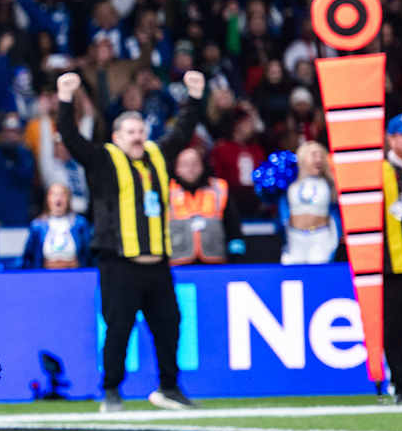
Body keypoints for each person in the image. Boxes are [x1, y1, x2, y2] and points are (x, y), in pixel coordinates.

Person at [56, 70, 204, 413]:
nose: (137, 137)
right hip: (119, 263)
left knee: (169, 326)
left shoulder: (157, 154)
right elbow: (71, 138)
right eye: (131, 132)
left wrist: (194, 97)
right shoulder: (103, 159)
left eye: (141, 131)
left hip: (157, 264)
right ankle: (110, 391)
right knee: (119, 328)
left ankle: (169, 388)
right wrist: (65, 99)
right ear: (117, 135)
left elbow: (182, 132)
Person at [382, 114, 402, 402]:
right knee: (394, 325)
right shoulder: (376, 173)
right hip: (391, 264)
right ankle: (400, 382)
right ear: (391, 138)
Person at [168, 148, 245, 265]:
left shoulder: (219, 188)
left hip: (216, 264)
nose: (190, 169)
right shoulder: (167, 192)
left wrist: (236, 258)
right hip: (178, 264)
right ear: (177, 168)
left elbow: (233, 226)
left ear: (202, 166)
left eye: (195, 163)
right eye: (185, 164)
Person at [279, 141, 339, 265]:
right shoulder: (290, 183)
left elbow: (335, 210)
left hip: (320, 236)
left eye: (321, 156)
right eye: (314, 155)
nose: (318, 159)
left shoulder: (330, 183)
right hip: (295, 237)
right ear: (303, 157)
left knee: (318, 275)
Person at [21, 183, 91, 269]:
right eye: (54, 194)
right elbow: (29, 257)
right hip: (45, 275)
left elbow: (88, 254)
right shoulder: (38, 225)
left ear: (68, 199)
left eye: (62, 195)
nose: (58, 199)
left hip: (75, 274)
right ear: (47, 199)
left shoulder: (79, 223)